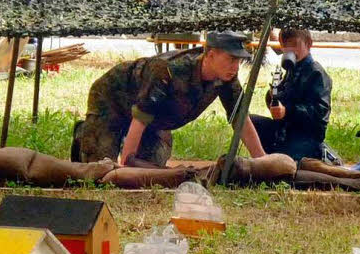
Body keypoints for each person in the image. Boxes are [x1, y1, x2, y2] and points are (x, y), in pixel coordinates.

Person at [72, 31, 267, 166]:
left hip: (155, 122)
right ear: (210, 55)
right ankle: (85, 134)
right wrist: (125, 166)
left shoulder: (226, 79)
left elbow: (240, 120)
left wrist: (262, 162)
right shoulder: (168, 70)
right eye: (231, 59)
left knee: (150, 167)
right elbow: (140, 118)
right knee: (101, 168)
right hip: (113, 99)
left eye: (239, 61)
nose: (236, 66)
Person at [248, 28, 331, 161]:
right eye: (285, 46)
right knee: (247, 121)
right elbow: (281, 101)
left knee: (285, 166)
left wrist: (287, 111)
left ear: (309, 43)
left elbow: (319, 114)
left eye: (294, 45)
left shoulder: (317, 73)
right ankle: (264, 157)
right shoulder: (291, 69)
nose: (289, 50)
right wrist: (273, 97)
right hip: (283, 131)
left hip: (305, 137)